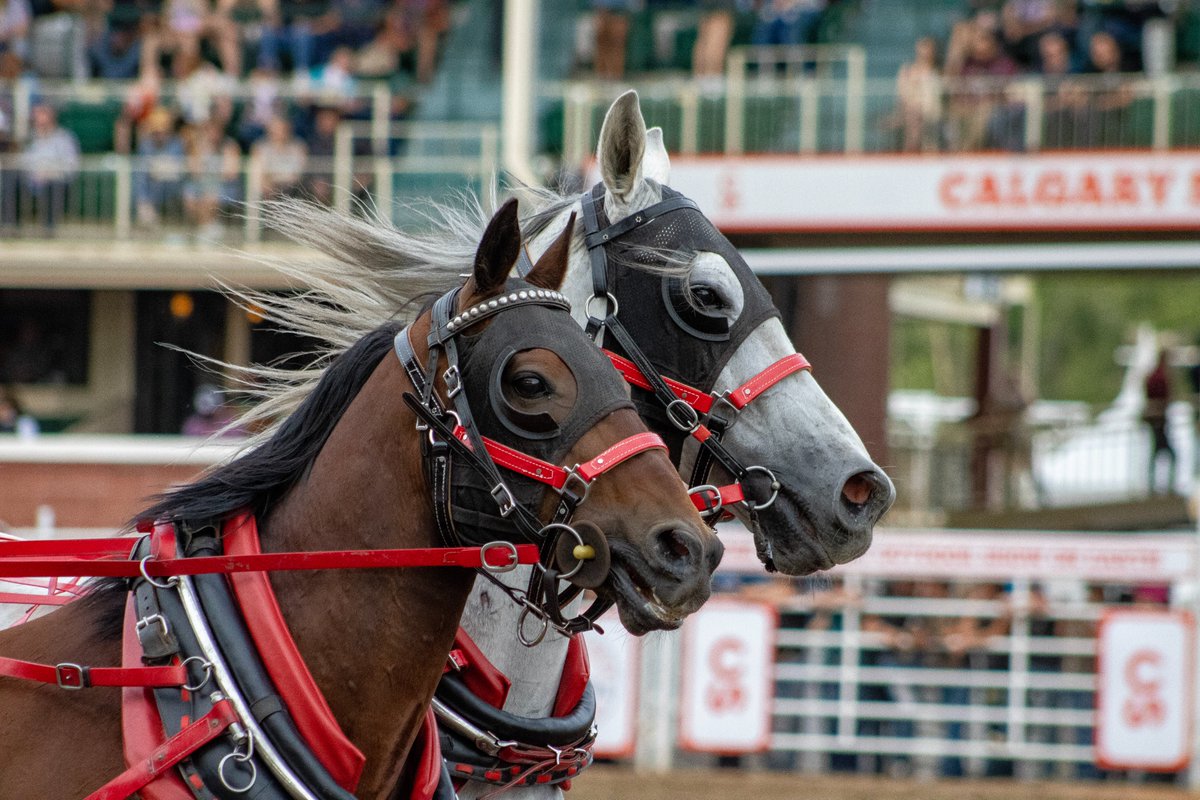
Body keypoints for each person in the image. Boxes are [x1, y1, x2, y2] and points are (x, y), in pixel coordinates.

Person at [7, 102, 80, 231]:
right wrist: (33, 174)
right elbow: (22, 162)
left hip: (55, 180)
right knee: (12, 180)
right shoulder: (30, 139)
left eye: (42, 116)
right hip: (31, 180)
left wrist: (50, 173)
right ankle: (11, 226)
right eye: (36, 117)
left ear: (51, 117)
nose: (38, 121)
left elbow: (71, 166)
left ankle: (49, 228)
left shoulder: (64, 138)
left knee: (52, 185)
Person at [133, 105, 185, 227]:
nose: (160, 135)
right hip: (152, 194)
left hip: (173, 192)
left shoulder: (177, 144)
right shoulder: (146, 146)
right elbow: (142, 175)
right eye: (157, 132)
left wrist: (159, 169)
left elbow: (178, 171)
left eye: (163, 131)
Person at [895, 36, 943, 152]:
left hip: (935, 112)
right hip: (913, 111)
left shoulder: (939, 70)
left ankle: (928, 152)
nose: (926, 51)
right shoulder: (907, 70)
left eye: (929, 48)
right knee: (913, 119)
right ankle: (910, 153)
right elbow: (902, 94)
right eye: (923, 47)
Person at [251, 113, 306, 199]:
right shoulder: (260, 147)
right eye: (276, 129)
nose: (279, 132)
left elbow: (299, 172)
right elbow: (258, 171)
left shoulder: (298, 147)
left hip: (291, 188)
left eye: (282, 129)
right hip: (268, 188)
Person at [1143, 348, 1175, 494]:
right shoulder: (1161, 377)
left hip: (1154, 418)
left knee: (1156, 451)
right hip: (1159, 419)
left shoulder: (1152, 375)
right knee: (1169, 454)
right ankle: (1166, 486)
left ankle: (1152, 485)